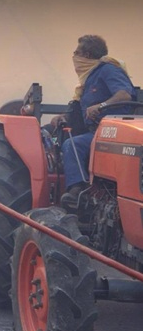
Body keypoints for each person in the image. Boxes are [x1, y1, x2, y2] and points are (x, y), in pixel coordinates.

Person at [53, 35, 135, 207]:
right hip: (96, 131)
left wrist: (101, 106)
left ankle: (77, 190)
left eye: (76, 53)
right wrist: (64, 117)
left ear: (87, 55)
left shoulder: (108, 70)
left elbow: (125, 94)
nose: (74, 57)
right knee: (65, 139)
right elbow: (82, 109)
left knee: (72, 145)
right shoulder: (89, 79)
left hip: (112, 132)